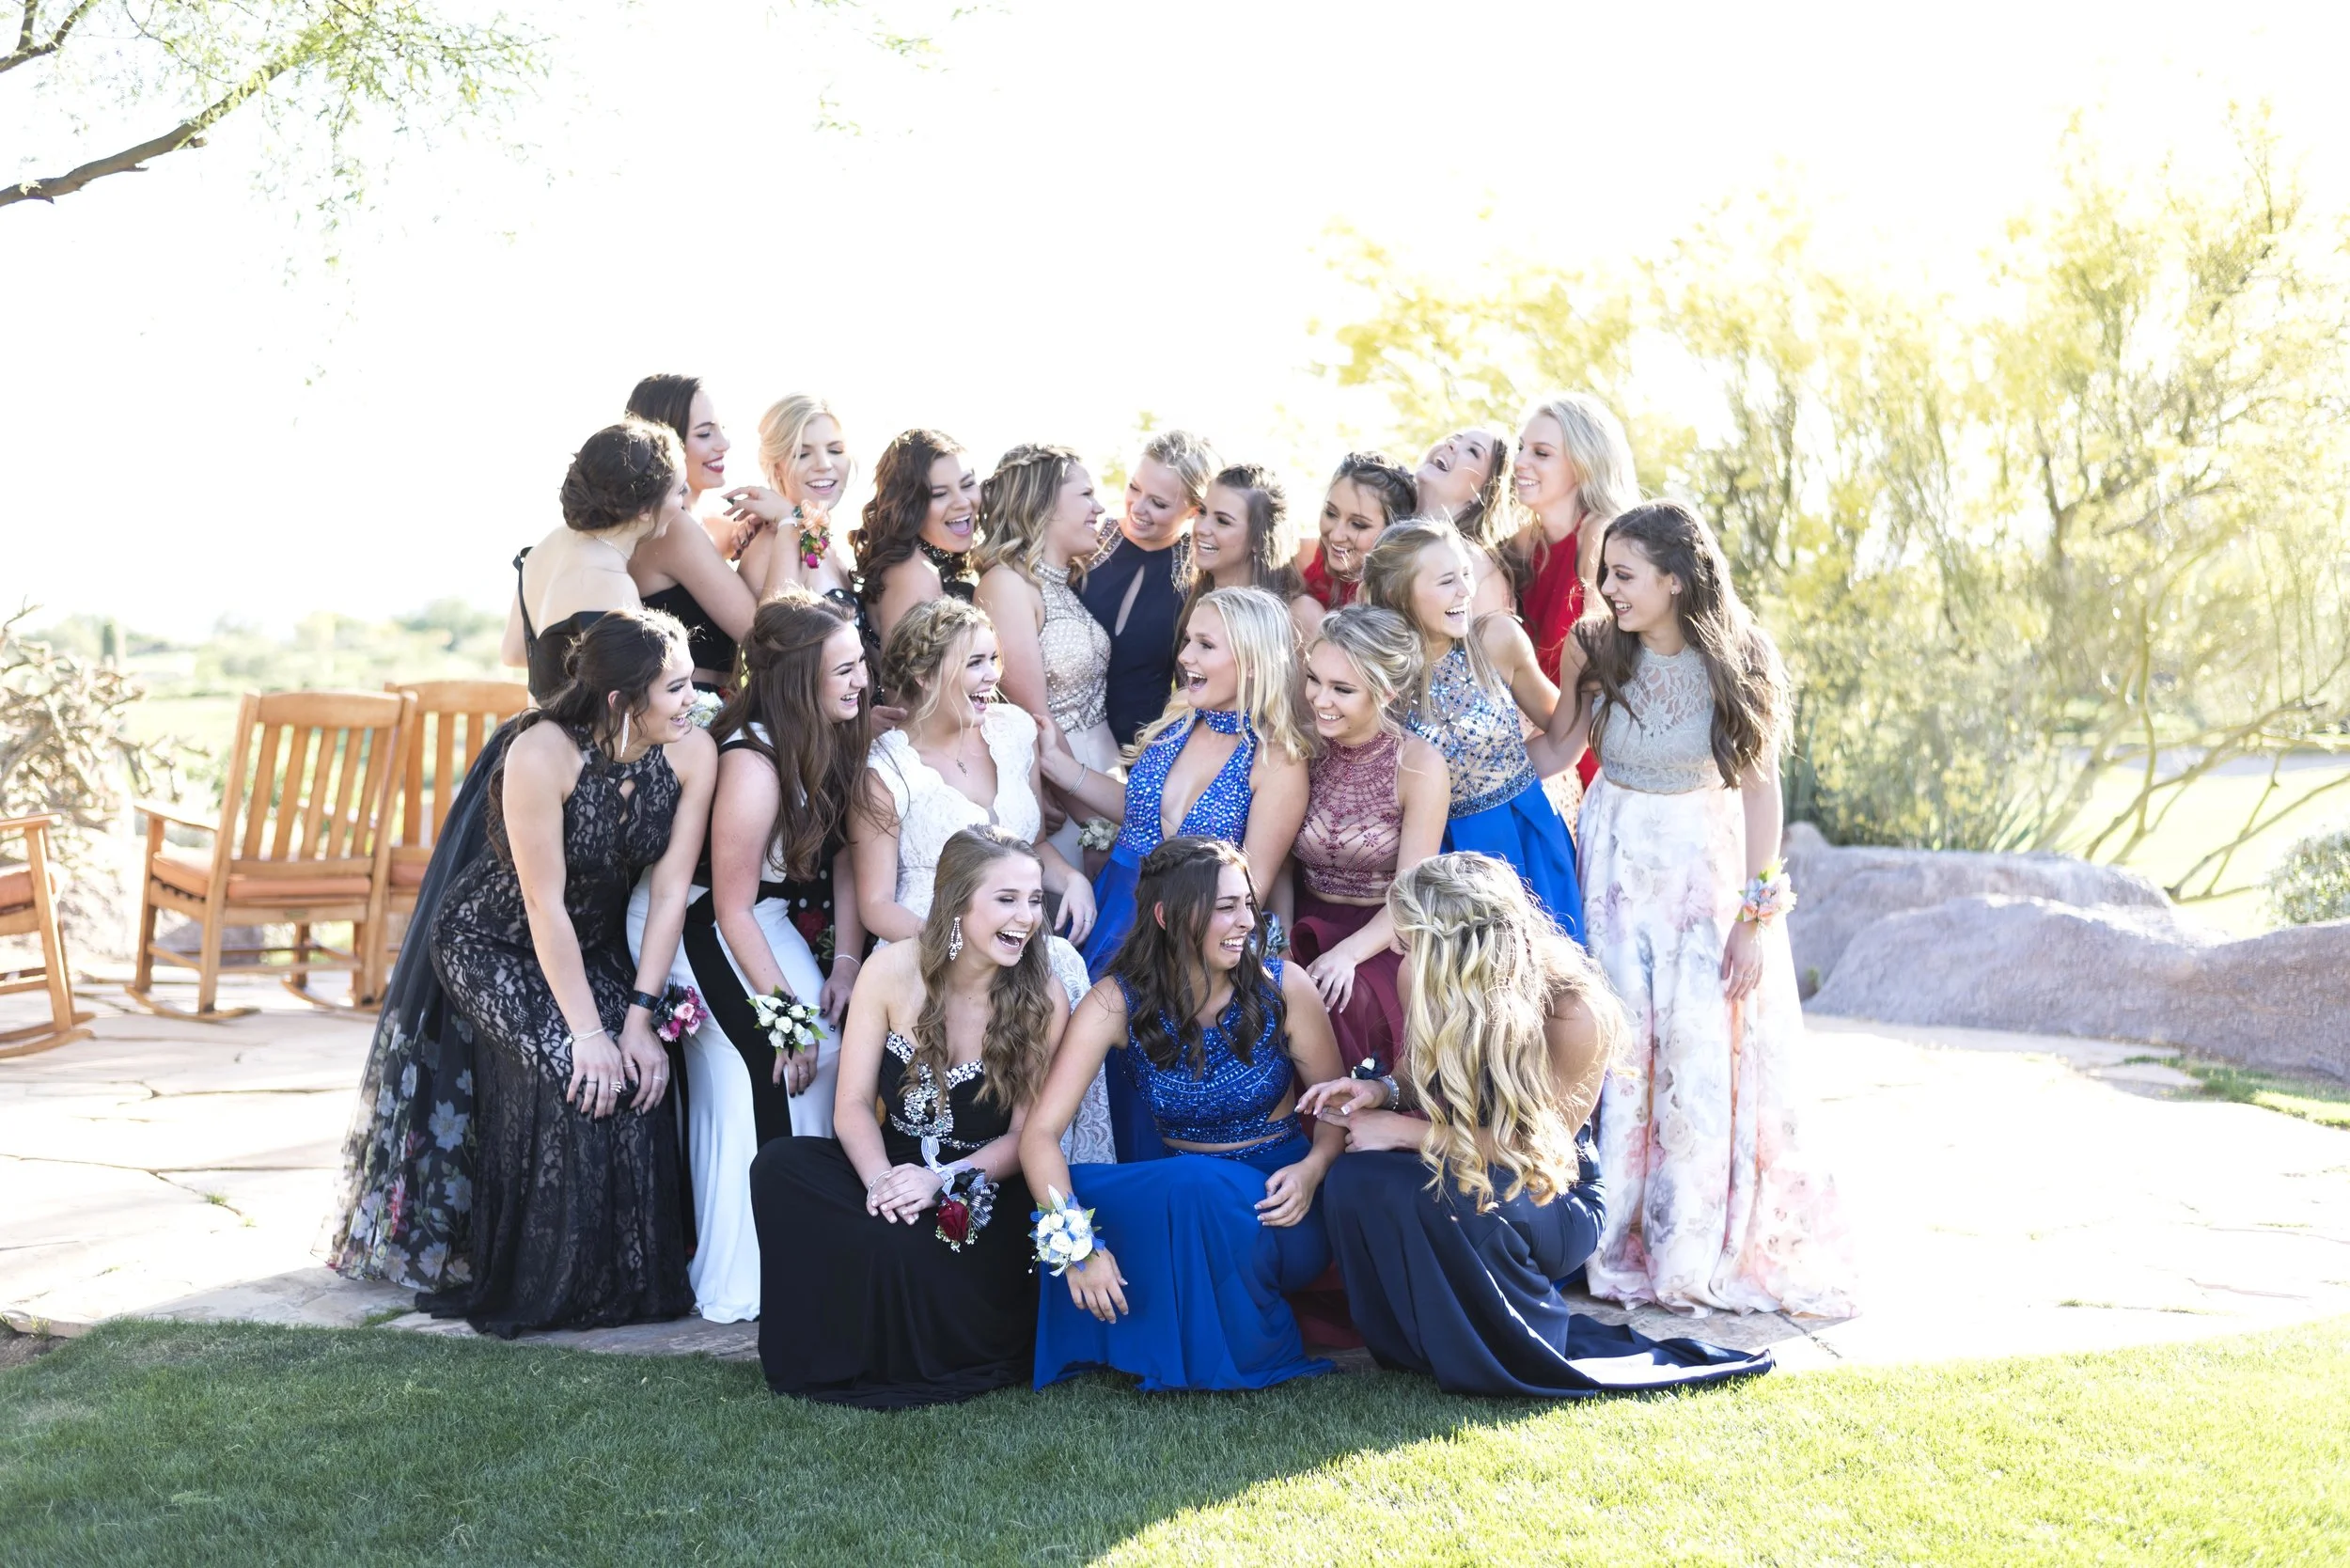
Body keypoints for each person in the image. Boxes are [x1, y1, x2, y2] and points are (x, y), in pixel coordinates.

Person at [333, 420, 688, 1293]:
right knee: (546, 1007)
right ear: (647, 505)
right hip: (564, 768)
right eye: (676, 491)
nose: (684, 506)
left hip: (543, 746)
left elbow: (512, 652)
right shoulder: (611, 580)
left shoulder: (546, 551)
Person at [1299, 853, 1776, 1396]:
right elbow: (1419, 1075)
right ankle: (1417, 1347)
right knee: (1354, 1180)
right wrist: (1381, 1091)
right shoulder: (1420, 975)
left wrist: (1404, 1132)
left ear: (1454, 946)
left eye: (1409, 942)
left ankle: (1504, 1343)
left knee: (1460, 1195)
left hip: (1552, 1193)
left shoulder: (1574, 1011)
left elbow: (1538, 1152)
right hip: (1460, 1159)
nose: (1397, 953)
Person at [1572, 500, 1856, 1317]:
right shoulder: (1597, 649)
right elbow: (1557, 745)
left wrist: (1754, 920)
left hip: (1700, 884)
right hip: (1612, 879)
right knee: (1617, 1051)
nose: (1609, 589)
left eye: (1625, 575)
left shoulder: (1741, 657)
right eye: (1606, 574)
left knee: (1695, 1060)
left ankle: (1686, 1244)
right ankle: (1600, 1234)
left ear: (1674, 578)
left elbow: (1761, 793)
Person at [415, 609, 717, 1338]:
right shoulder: (541, 752)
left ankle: (627, 1287)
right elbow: (541, 904)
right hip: (492, 941)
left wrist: (639, 1022)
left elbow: (670, 892)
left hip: (593, 946)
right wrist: (587, 1033)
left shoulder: (692, 753)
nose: (694, 700)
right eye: (676, 688)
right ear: (622, 700)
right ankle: (549, 1285)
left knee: (639, 1079)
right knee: (575, 1075)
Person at [621, 589, 871, 1323]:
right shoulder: (752, 764)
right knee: (772, 1067)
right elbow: (727, 907)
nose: (862, 682)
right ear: (798, 679)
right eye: (845, 670)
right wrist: (785, 1020)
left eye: (861, 664)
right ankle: (750, 1278)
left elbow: (847, 854)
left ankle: (814, 1255)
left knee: (827, 1057)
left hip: (757, 915)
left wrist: (847, 960)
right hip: (693, 923)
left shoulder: (829, 734)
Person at [750, 827, 1059, 1407]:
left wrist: (939, 1180)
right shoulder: (890, 971)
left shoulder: (1043, 997)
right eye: (1007, 899)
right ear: (957, 902)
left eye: (1035, 899)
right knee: (779, 1165)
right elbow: (851, 1104)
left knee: (903, 1246)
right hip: (888, 1166)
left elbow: (1027, 1137)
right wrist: (881, 1183)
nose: (1026, 917)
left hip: (979, 1184)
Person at [1024, 838, 1347, 1391]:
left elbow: (1337, 1107)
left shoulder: (1283, 986)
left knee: (1194, 1185)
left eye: (1247, 904)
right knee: (1067, 1191)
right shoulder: (1115, 1001)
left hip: (1282, 1205)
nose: (1246, 921)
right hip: (1187, 1200)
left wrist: (1312, 1170)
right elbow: (1040, 1134)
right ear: (1166, 916)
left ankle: (1212, 1345)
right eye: (1226, 907)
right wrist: (1076, 1247)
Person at [853, 599, 1114, 1163]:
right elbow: (873, 903)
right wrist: (956, 950)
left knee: (1060, 981)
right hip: (927, 950)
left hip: (1022, 940)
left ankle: (1052, 1198)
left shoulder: (1014, 732)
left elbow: (1031, 844)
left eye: (993, 658)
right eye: (974, 662)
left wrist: (1071, 878)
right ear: (924, 675)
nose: (993, 675)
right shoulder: (886, 768)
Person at [1360, 519, 1589, 938]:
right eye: (1447, 581)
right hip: (1442, 862)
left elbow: (1559, 741)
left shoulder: (1497, 639)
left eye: (1466, 574)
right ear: (1397, 593)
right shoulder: (1375, 673)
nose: (1466, 590)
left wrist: (1584, 676)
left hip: (1529, 839)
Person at [1284, 605, 1448, 1077]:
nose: (1320, 699)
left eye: (1342, 689)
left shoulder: (1418, 766)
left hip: (1384, 932)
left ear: (1386, 692)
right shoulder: (1301, 747)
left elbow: (1410, 893)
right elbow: (1279, 866)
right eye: (1314, 680)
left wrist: (1348, 954)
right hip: (1302, 919)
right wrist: (1279, 937)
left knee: (1344, 998)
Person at [971, 443, 1115, 867]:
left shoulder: (1060, 585)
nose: (1099, 508)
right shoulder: (1005, 585)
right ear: (1044, 503)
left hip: (1101, 773)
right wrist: (1095, 825)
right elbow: (1034, 715)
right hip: (1067, 796)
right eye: (1086, 494)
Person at [623, 374, 778, 693]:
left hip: (717, 702)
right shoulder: (671, 527)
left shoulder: (704, 523)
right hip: (691, 711)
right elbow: (761, 634)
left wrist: (759, 530)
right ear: (666, 445)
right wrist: (788, 523)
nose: (724, 444)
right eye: (705, 433)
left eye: (722, 428)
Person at [1079, 429, 1218, 747]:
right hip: (1065, 732)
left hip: (1143, 744)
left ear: (1194, 510)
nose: (1137, 507)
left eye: (1158, 503)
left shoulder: (1199, 576)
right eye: (1134, 488)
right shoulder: (1087, 543)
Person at [725, 392, 862, 621]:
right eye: (802, 454)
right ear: (776, 466)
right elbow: (774, 635)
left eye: (835, 450)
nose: (824, 464)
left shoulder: (825, 537)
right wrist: (788, 520)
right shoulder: (771, 544)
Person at [854, 428, 980, 656]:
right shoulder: (914, 575)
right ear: (908, 506)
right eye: (939, 494)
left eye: (967, 484)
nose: (962, 502)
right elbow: (906, 677)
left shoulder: (930, 558)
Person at [1181, 462, 1312, 640]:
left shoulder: (1298, 614)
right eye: (1202, 512)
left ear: (1259, 538)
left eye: (1222, 521)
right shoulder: (1189, 597)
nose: (1201, 528)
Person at [1296, 451, 1415, 630]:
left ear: (1392, 531)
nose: (1336, 536)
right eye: (1330, 513)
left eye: (1358, 525)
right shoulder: (1301, 558)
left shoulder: (1403, 596)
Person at [1415, 428, 1517, 619]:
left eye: (1473, 451)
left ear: (1484, 493)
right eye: (1453, 438)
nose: (1451, 444)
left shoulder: (1477, 567)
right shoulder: (1381, 522)